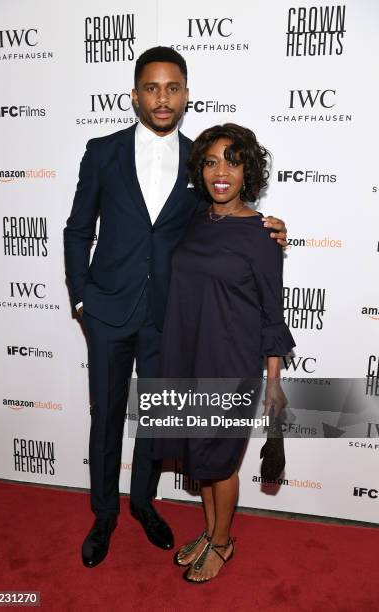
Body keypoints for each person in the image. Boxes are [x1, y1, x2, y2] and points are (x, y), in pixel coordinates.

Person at [63, 47, 288, 569]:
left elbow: (223, 219)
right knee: (106, 418)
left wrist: (271, 228)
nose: (162, 98)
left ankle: (144, 502)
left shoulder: (200, 160)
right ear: (136, 94)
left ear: (186, 94)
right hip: (108, 310)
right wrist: (80, 299)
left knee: (155, 419)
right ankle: (104, 515)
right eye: (151, 87)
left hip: (170, 319)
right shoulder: (102, 152)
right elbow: (78, 230)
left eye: (172, 88)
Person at [158, 123, 295, 583]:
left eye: (232, 162)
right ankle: (210, 530)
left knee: (219, 461)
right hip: (188, 357)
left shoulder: (263, 235)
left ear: (248, 171)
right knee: (200, 456)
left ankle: (223, 543)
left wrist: (273, 383)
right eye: (212, 161)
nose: (221, 172)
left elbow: (272, 316)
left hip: (231, 363)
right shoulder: (195, 219)